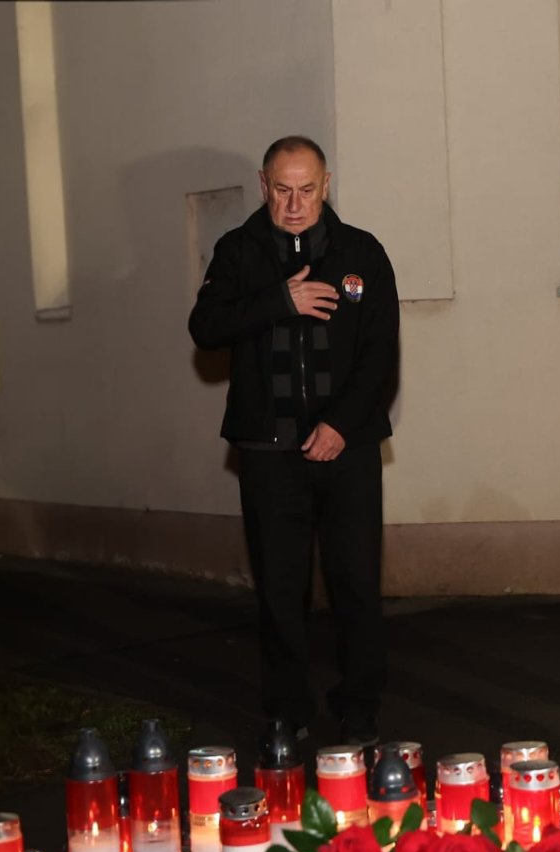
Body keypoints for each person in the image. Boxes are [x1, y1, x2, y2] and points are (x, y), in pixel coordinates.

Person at [189, 135, 398, 743]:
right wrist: (279, 301)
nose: (295, 204)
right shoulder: (238, 252)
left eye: (307, 190)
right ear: (264, 185)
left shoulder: (362, 252)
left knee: (356, 583)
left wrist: (341, 426)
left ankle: (359, 707)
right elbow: (206, 327)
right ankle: (286, 709)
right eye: (282, 190)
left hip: (347, 450)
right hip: (268, 453)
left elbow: (380, 354)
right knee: (280, 590)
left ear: (326, 185)